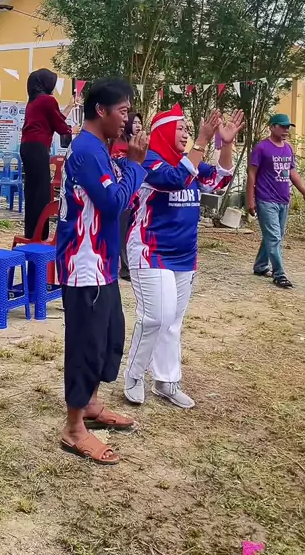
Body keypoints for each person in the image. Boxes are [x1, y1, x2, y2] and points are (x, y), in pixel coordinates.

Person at [123, 103, 244, 409]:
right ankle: (134, 375)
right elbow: (174, 179)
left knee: (173, 321)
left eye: (189, 129)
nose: (187, 133)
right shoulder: (149, 160)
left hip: (184, 255)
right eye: (181, 128)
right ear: (163, 131)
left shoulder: (189, 162)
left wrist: (226, 144)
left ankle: (166, 380)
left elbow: (219, 179)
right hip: (150, 250)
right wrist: (202, 141)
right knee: (155, 317)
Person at [56, 78, 148, 465]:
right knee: (86, 344)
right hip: (84, 263)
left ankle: (91, 404)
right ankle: (74, 428)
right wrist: (135, 166)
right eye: (123, 111)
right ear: (101, 111)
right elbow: (113, 203)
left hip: (103, 261)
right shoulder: (87, 151)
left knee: (109, 336)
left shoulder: (101, 149)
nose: (127, 119)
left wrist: (130, 163)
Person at [246, 113, 305, 289]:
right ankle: (279, 275)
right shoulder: (262, 148)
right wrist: (250, 200)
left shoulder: (288, 149)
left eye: (288, 127)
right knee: (274, 237)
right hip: (266, 199)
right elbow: (251, 174)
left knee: (274, 236)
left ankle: (260, 266)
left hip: (283, 200)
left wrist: (303, 191)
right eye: (282, 126)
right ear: (272, 127)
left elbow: (292, 172)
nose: (286, 130)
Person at [20, 69, 73, 239]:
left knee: (32, 190)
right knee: (42, 192)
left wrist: (70, 106)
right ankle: (40, 235)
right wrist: (72, 131)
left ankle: (31, 232)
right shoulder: (47, 100)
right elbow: (60, 125)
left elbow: (55, 119)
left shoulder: (34, 101)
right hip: (38, 147)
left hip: (27, 147)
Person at [110, 113, 143, 282]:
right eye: (134, 122)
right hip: (124, 192)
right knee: (123, 232)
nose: (138, 125)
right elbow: (122, 164)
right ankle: (125, 267)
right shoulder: (120, 143)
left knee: (131, 231)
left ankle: (130, 265)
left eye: (140, 122)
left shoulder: (137, 143)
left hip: (137, 194)